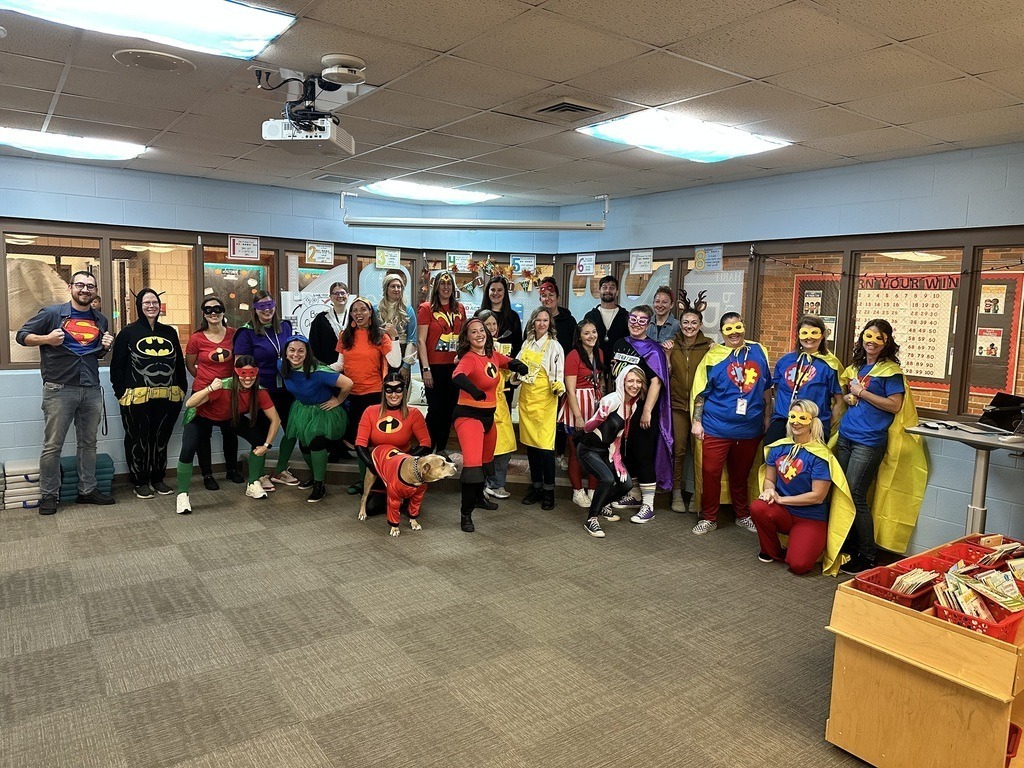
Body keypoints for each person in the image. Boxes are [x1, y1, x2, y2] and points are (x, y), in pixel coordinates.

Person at [16, 271, 115, 515]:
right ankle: (49, 495)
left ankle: (87, 490)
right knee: (53, 446)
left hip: (90, 388)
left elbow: (92, 353)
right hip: (59, 388)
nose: (85, 289)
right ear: (70, 287)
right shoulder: (52, 314)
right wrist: (47, 338)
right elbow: (22, 336)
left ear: (95, 291)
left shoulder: (100, 319)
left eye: (90, 286)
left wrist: (104, 348)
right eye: (80, 285)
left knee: (88, 444)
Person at [834, 319, 927, 574]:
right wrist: (851, 395)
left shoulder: (891, 371)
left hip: (868, 441)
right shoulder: (857, 367)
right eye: (868, 336)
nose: (871, 341)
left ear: (886, 342)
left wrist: (862, 394)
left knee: (855, 495)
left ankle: (868, 555)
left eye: (878, 338)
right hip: (846, 437)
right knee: (843, 493)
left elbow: (894, 405)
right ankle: (850, 546)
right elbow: (849, 393)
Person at [750, 400, 855, 575]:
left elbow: (817, 496)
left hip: (810, 517)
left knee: (799, 565)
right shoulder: (778, 448)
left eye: (802, 418)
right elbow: (769, 478)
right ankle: (773, 551)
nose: (795, 422)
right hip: (783, 513)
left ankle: (802, 545)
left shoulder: (820, 456)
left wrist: (781, 499)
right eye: (792, 416)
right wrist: (769, 490)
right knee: (758, 507)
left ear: (812, 422)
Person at [690, 312, 771, 535]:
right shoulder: (713, 357)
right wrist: (697, 422)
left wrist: (767, 416)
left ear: (743, 328)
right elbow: (700, 393)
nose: (734, 333)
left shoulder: (758, 350)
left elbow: (766, 387)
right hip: (717, 427)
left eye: (737, 327)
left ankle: (742, 514)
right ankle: (709, 517)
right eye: (728, 329)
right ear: (721, 332)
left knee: (741, 474)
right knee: (711, 473)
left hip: (749, 428)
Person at [174, 356, 282, 515]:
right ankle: (182, 495)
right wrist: (210, 388)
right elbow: (190, 403)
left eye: (252, 374)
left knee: (259, 439)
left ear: (257, 374)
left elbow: (276, 420)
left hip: (229, 418)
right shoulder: (223, 387)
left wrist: (267, 446)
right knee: (188, 449)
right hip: (201, 417)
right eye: (243, 374)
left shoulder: (259, 392)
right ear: (236, 374)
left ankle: (253, 484)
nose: (247, 378)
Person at [451, 316, 528, 531]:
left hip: (488, 419)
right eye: (473, 332)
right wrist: (473, 391)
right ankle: (465, 515)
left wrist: (518, 365)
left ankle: (478, 498)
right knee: (473, 466)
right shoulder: (468, 358)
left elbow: (505, 361)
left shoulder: (491, 355)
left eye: (481, 330)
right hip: (469, 418)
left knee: (486, 463)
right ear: (467, 337)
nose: (479, 334)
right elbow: (457, 375)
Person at [110, 288, 188, 499]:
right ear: (139, 306)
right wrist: (120, 392)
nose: (151, 306)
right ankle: (140, 481)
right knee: (138, 439)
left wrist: (182, 389)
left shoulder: (170, 332)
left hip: (168, 397)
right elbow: (116, 366)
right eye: (147, 303)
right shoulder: (127, 332)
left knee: (160, 438)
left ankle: (158, 478)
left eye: (155, 302)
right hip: (136, 398)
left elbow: (178, 363)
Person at [607, 304, 674, 523]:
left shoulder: (653, 349)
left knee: (644, 455)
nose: (636, 324)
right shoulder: (619, 343)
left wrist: (647, 411)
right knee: (627, 453)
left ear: (649, 323)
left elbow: (656, 381)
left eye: (642, 321)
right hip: (621, 409)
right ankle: (634, 495)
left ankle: (648, 505)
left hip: (642, 411)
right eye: (633, 320)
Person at [233, 291, 301, 489]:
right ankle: (259, 476)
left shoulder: (285, 327)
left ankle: (280, 470)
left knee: (292, 429)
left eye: (270, 305)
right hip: (262, 389)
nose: (267, 310)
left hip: (287, 387)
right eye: (262, 306)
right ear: (255, 309)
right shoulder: (246, 333)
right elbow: (241, 364)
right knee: (261, 434)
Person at [336, 296, 401, 494]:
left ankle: (380, 481)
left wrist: (395, 338)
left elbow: (395, 363)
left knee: (376, 441)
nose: (358, 313)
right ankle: (363, 481)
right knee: (359, 442)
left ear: (370, 312)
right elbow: (340, 364)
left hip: (374, 395)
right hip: (352, 395)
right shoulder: (344, 335)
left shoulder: (380, 336)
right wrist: (317, 369)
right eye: (355, 310)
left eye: (363, 309)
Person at [574, 365, 649, 538]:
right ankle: (592, 519)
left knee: (626, 484)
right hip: (587, 449)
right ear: (623, 380)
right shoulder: (613, 399)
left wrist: (617, 461)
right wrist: (600, 416)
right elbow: (586, 428)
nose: (635, 385)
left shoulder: (633, 405)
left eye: (638, 381)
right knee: (607, 479)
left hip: (605, 451)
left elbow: (617, 437)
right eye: (630, 380)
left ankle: (600, 506)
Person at [279, 335, 353, 502]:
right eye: (291, 350)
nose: (295, 354)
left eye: (300, 351)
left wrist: (338, 400)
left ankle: (320, 485)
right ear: (285, 352)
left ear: (307, 353)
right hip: (302, 410)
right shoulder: (282, 366)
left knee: (316, 443)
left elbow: (348, 383)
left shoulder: (319, 371)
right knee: (304, 446)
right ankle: (315, 475)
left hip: (324, 411)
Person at [354, 371, 431, 528]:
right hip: (380, 468)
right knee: (372, 508)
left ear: (404, 390)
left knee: (412, 508)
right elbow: (360, 443)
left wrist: (405, 464)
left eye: (398, 389)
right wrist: (373, 466)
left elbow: (426, 443)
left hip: (403, 469)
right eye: (389, 390)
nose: (394, 394)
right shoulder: (370, 411)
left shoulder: (413, 414)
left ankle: (402, 497)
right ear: (384, 391)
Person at [185, 295, 242, 490]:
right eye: (208, 310)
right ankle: (207, 474)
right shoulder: (196, 338)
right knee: (203, 435)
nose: (213, 313)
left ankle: (232, 469)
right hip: (204, 393)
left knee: (230, 432)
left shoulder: (235, 334)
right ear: (204, 314)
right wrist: (205, 380)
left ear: (223, 311)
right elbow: (190, 365)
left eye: (217, 309)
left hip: (228, 393)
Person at [665, 294, 715, 513]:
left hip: (702, 408)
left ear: (700, 324)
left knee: (700, 452)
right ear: (680, 323)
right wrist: (667, 355)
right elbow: (666, 374)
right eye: (685, 322)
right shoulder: (672, 344)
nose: (689, 326)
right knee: (679, 450)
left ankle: (697, 494)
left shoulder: (709, 347)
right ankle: (676, 493)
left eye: (694, 322)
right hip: (677, 405)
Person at [764, 315, 843, 446]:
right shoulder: (785, 361)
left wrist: (826, 427)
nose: (809, 337)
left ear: (822, 335)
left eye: (814, 333)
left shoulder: (830, 365)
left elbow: (839, 401)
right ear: (799, 335)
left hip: (814, 423)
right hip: (784, 420)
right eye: (804, 333)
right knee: (771, 456)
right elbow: (778, 391)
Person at [517, 307, 565, 510]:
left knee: (546, 450)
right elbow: (517, 366)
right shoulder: (527, 344)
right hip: (527, 401)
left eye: (546, 320)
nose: (542, 324)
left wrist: (558, 386)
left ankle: (548, 492)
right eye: (538, 320)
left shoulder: (555, 346)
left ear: (550, 324)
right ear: (533, 322)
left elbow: (558, 374)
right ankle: (535, 487)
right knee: (532, 448)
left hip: (545, 403)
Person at [416, 270, 466, 454]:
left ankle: (442, 449)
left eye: (449, 284)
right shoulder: (426, 308)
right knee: (435, 409)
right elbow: (421, 340)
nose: (446, 287)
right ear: (436, 287)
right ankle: (427, 448)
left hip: (454, 366)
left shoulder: (459, 308)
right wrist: (426, 368)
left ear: (453, 287)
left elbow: (464, 337)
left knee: (449, 410)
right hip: (433, 366)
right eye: (442, 283)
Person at [561, 319, 604, 508]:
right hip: (577, 405)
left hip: (594, 406)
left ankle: (593, 491)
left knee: (595, 451)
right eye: (586, 333)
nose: (591, 336)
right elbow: (570, 390)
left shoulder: (599, 353)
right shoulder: (573, 356)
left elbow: (600, 381)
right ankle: (577, 492)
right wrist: (578, 416)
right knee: (576, 453)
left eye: (593, 332)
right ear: (579, 336)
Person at [477, 310, 517, 500]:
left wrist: (517, 373)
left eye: (494, 324)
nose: (492, 328)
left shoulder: (501, 348)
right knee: (485, 448)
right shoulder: (474, 350)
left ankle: (496, 483)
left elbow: (508, 375)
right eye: (488, 324)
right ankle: (484, 484)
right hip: (481, 403)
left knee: (505, 447)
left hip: (500, 402)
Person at [584, 274, 629, 387]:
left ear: (617, 292)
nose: (608, 290)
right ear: (599, 290)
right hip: (594, 366)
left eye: (612, 287)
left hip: (619, 368)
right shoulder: (590, 316)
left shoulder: (625, 316)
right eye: (604, 287)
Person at [378, 273, 418, 379]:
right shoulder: (376, 309)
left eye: (399, 286)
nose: (396, 289)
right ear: (386, 288)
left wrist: (406, 365)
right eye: (393, 286)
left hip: (402, 352)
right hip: (381, 353)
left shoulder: (408, 310)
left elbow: (412, 339)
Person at [308, 282, 349, 365]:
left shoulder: (354, 317)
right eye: (336, 293)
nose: (340, 296)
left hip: (353, 366)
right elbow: (314, 346)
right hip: (328, 368)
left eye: (342, 293)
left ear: (348, 295)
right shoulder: (320, 319)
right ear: (330, 297)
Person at [483, 275, 523, 358]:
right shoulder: (479, 314)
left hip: (506, 365)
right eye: (493, 290)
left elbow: (518, 346)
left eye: (500, 290)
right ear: (488, 291)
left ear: (505, 292)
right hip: (483, 364)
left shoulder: (513, 317)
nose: (496, 293)